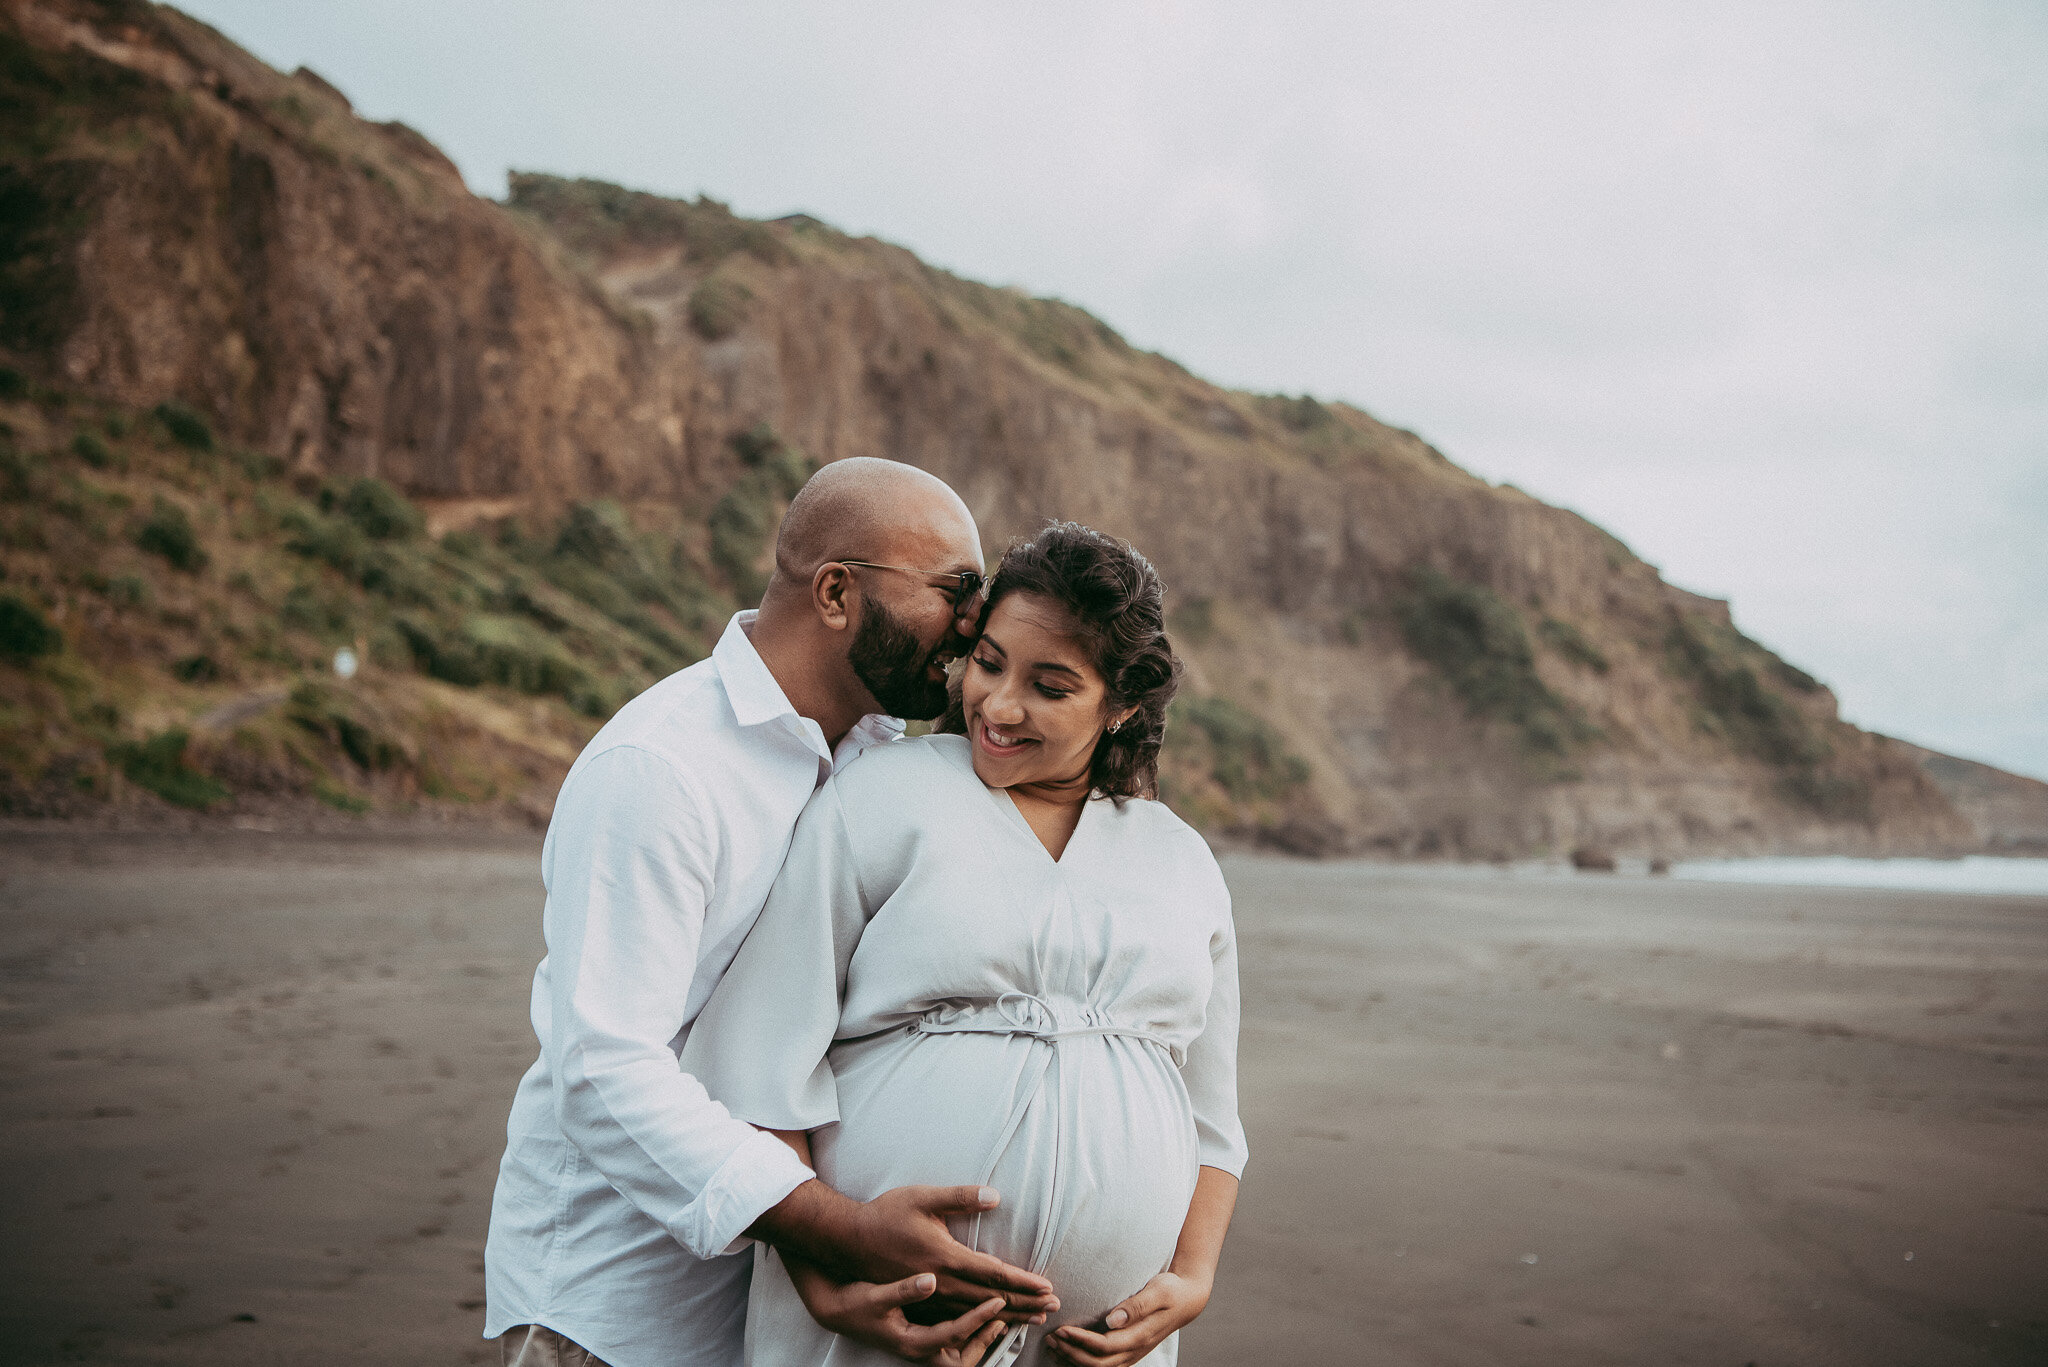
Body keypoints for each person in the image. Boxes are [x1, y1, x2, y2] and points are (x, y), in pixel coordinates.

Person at [484, 459, 1058, 1367]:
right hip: (618, 1310)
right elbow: (603, 1069)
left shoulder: (881, 764)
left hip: (777, 1317)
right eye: (956, 588)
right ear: (836, 592)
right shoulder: (661, 768)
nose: (972, 620)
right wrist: (839, 1229)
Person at [684, 521, 1247, 1367]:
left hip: (1093, 1348)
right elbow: (759, 1056)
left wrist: (1195, 1276)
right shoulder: (882, 797)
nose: (1000, 705)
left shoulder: (1180, 859)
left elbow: (1211, 1118)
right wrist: (821, 1269)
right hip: (882, 1319)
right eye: (988, 663)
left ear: (1123, 702)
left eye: (1050, 686)